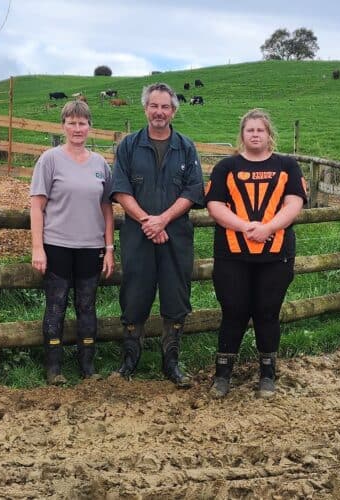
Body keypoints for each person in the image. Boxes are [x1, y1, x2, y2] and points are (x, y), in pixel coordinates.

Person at [204, 108, 307, 398]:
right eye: (250, 130)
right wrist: (246, 227)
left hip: (275, 255)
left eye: (260, 130)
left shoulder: (287, 166)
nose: (255, 134)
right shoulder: (226, 167)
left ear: (269, 134)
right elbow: (215, 205)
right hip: (232, 254)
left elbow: (294, 202)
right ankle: (223, 375)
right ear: (242, 135)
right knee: (233, 312)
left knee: (267, 312)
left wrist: (268, 228)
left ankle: (267, 375)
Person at [110, 83, 204, 388]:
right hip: (138, 236)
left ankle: (171, 361)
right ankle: (129, 359)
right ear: (145, 108)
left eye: (165, 107)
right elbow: (120, 189)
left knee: (176, 295)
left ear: (173, 110)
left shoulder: (186, 147)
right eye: (154, 106)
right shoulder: (128, 146)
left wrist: (163, 220)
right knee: (135, 294)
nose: (159, 112)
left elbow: (193, 191)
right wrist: (147, 221)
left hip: (175, 234)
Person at [30, 100, 115, 384]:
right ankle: (54, 368)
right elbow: (36, 206)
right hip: (57, 244)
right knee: (56, 305)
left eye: (82, 123)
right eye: (72, 122)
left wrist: (109, 247)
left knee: (87, 305)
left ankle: (87, 366)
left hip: (91, 246)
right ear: (63, 125)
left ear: (90, 127)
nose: (77, 128)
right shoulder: (50, 159)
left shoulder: (100, 164)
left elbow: (107, 208)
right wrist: (37, 247)